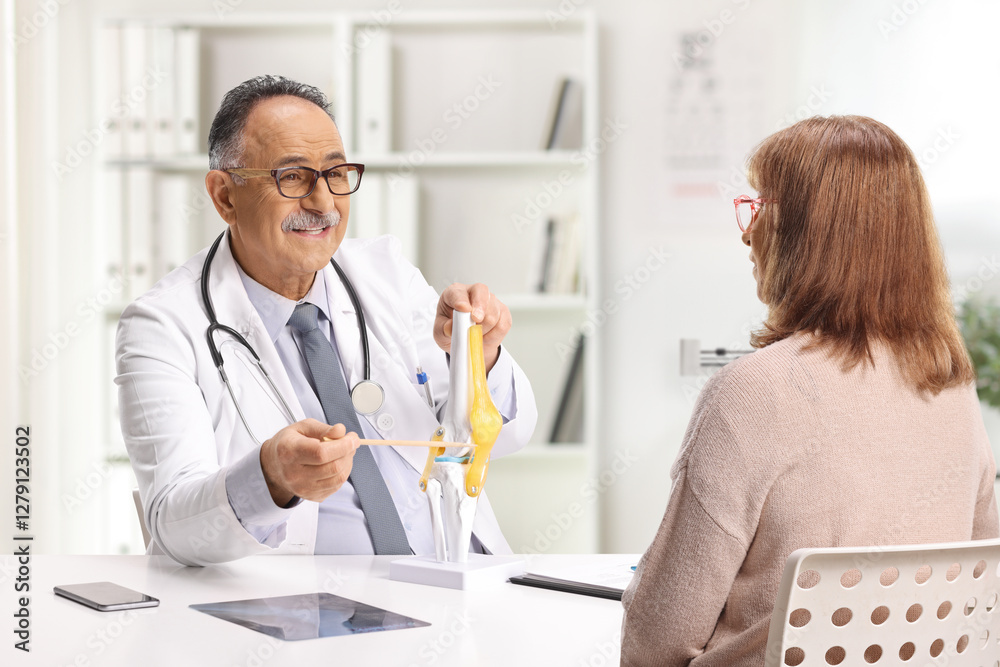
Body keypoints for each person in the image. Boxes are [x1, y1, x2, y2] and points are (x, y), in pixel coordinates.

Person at [620, 115, 999, 666]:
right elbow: (981, 591)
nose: (746, 232)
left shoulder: (750, 393)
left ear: (807, 235)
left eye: (760, 208)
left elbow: (655, 642)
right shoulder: (952, 386)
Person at [115, 75, 537, 566]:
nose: (323, 204)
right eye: (292, 177)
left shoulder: (385, 272)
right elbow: (173, 527)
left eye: (336, 174)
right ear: (225, 196)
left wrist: (474, 357)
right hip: (320, 616)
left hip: (467, 577)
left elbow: (504, 436)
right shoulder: (161, 326)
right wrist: (271, 479)